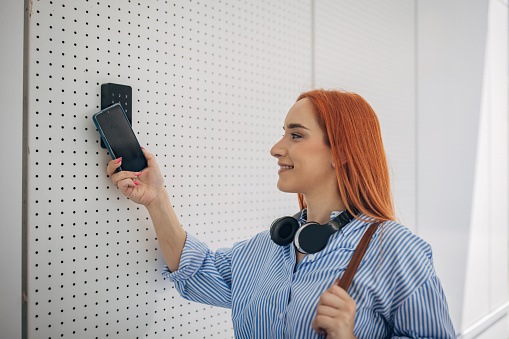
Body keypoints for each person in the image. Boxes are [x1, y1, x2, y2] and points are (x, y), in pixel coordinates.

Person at [106, 89, 456, 338]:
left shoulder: (394, 249)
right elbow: (196, 271)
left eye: (296, 135)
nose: (277, 148)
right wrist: (156, 198)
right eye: (283, 134)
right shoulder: (268, 248)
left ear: (341, 152)